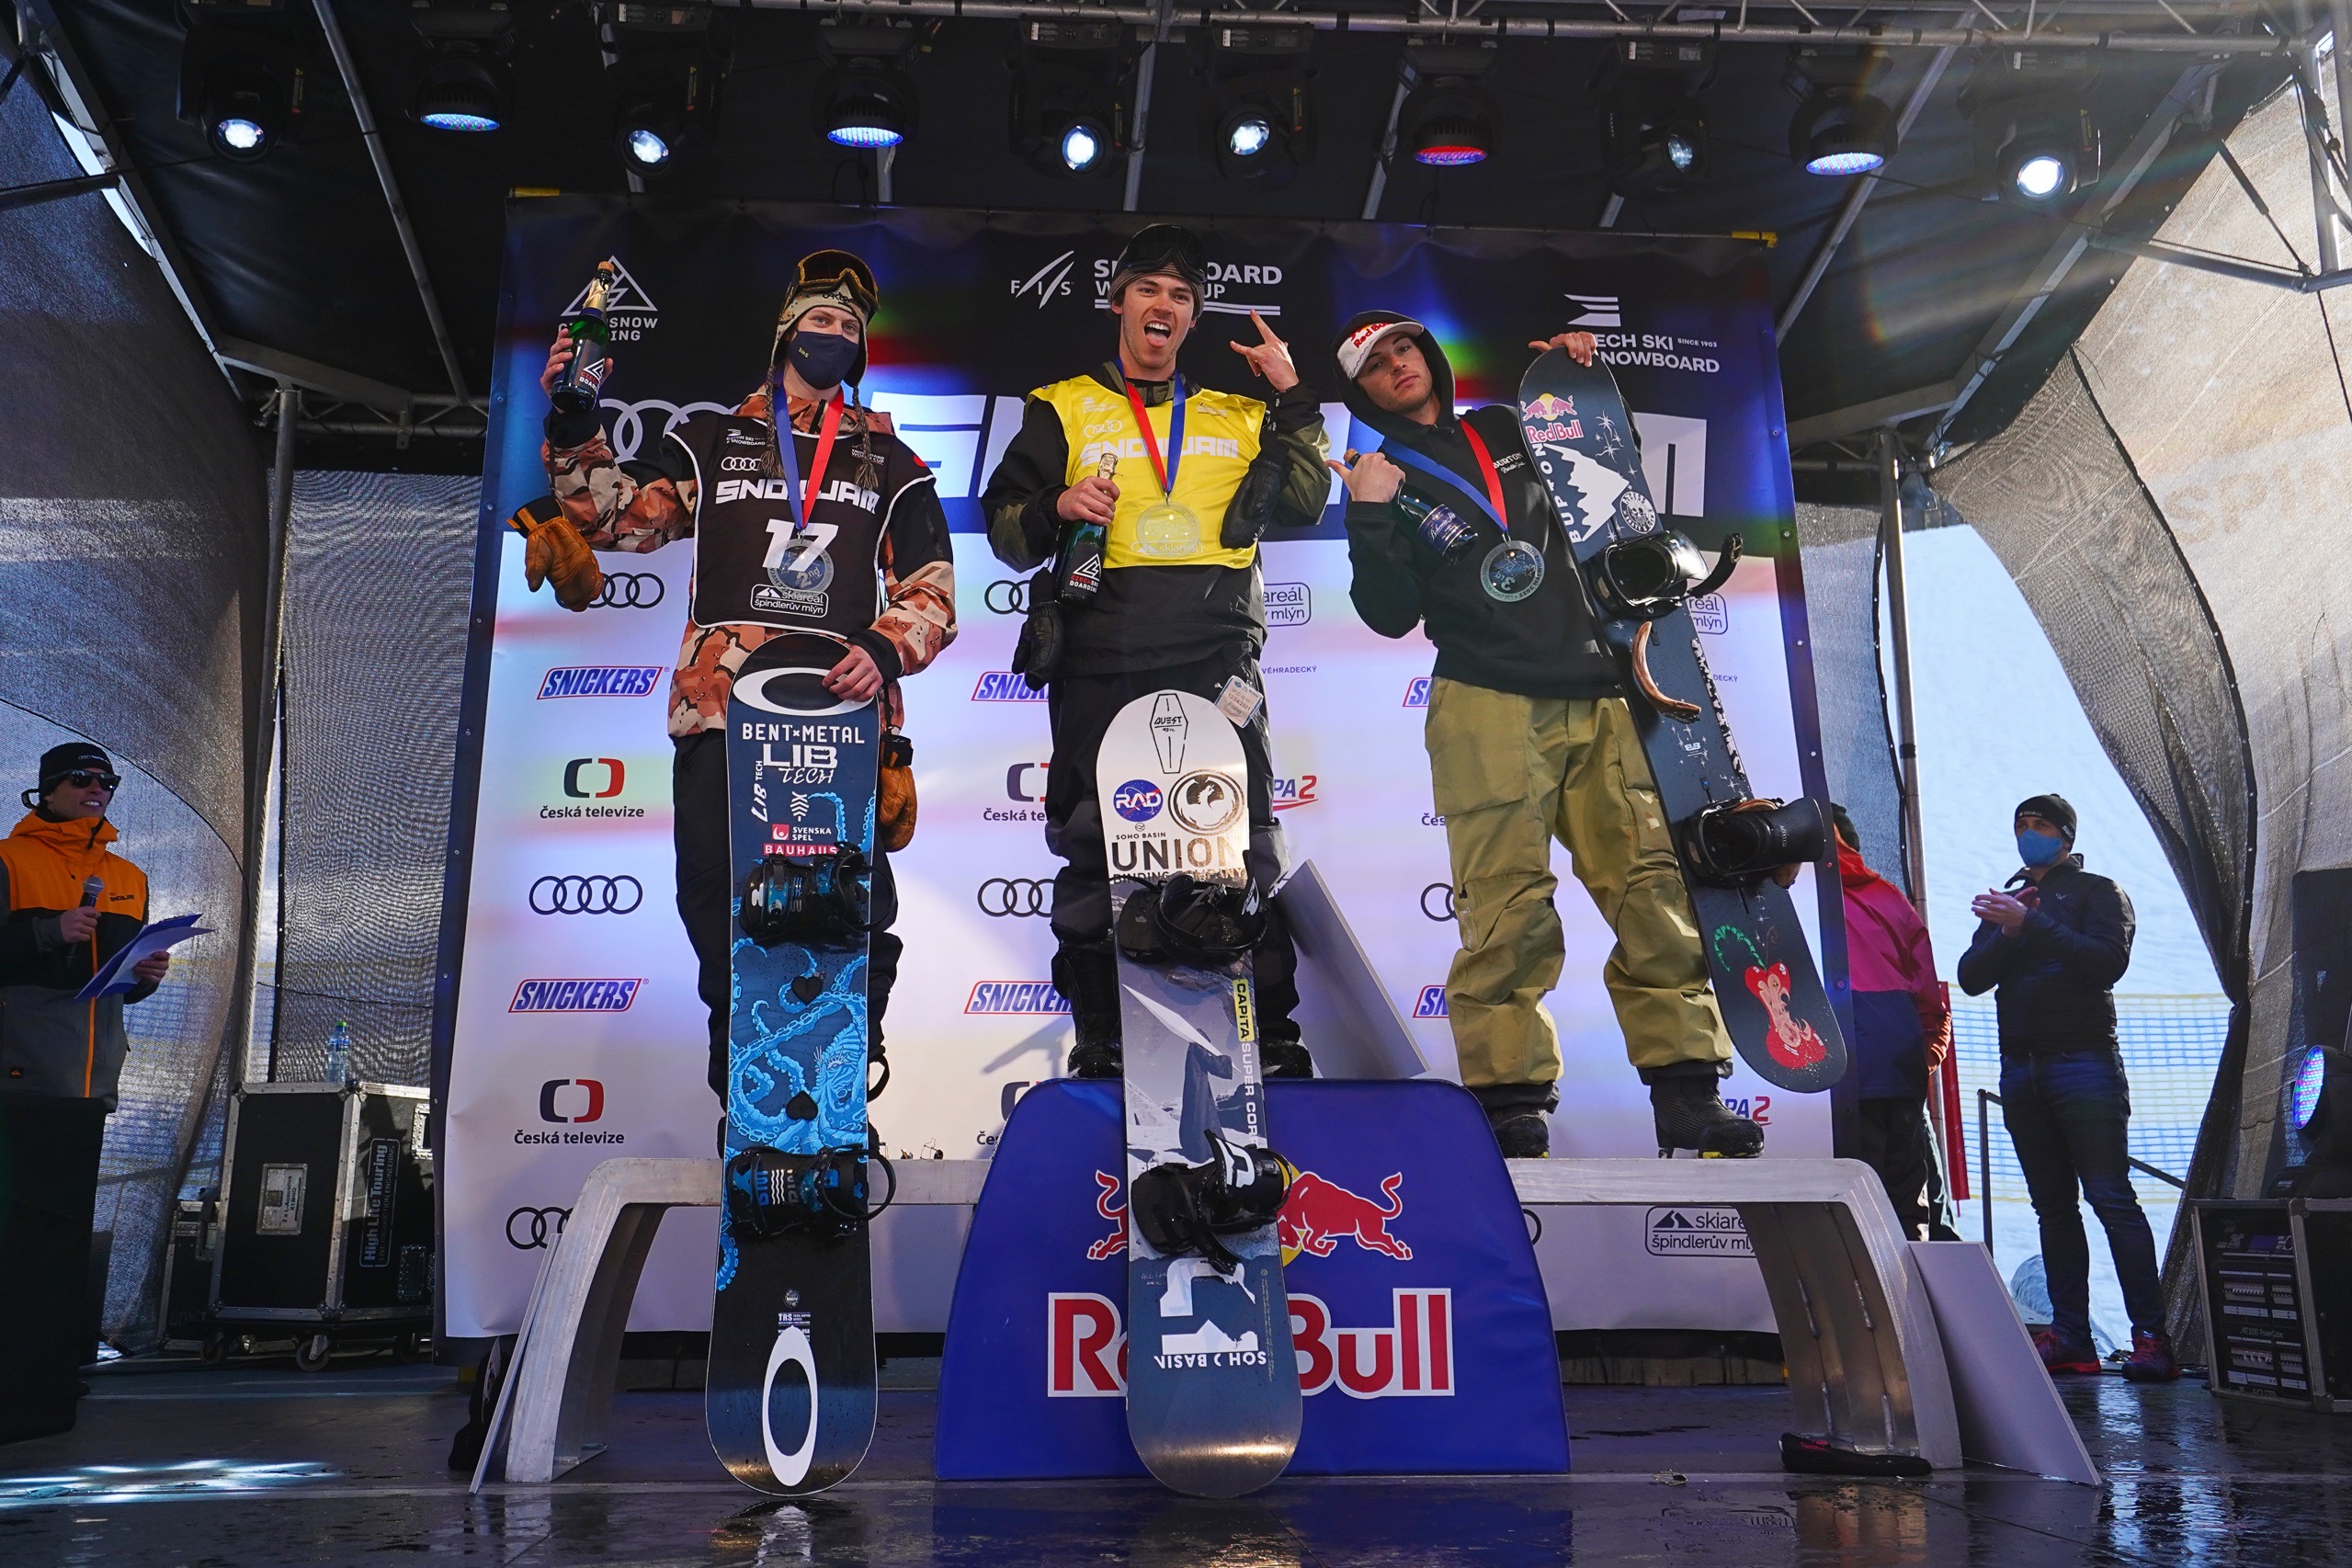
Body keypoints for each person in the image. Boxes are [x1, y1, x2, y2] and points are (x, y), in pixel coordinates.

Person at [1330, 312, 1760, 1159]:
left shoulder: (1504, 426)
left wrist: (1580, 390)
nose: (1397, 367)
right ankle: (1508, 1102)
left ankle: (1686, 1093)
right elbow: (1385, 614)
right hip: (1483, 701)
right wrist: (1370, 515)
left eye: (1404, 349)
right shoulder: (1379, 472)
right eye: (1375, 366)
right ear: (1363, 392)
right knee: (1504, 907)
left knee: (1650, 888)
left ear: (1430, 359)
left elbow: (1611, 485)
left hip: (1601, 689)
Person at [530, 249, 958, 1101]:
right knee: (721, 907)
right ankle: (747, 1089)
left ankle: (842, 1079)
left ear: (861, 349)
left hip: (836, 720)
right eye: (818, 319)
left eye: (847, 326)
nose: (831, 334)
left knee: (849, 910)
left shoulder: (891, 460)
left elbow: (933, 592)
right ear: (785, 332)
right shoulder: (711, 438)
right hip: (722, 711)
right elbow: (612, 516)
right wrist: (574, 414)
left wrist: (879, 650)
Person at [979, 224, 1330, 1080]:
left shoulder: (1241, 414)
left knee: (1238, 843)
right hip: (1100, 651)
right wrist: (1058, 503)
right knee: (1094, 842)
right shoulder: (1059, 404)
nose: (1162, 306)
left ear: (1193, 316)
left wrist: (1292, 395)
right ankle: (1103, 1032)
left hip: (1214, 659)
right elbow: (1004, 531)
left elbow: (1309, 500)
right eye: (1147, 290)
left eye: (1179, 295)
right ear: (1118, 304)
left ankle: (1265, 1031)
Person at [1956, 792, 2178, 1381]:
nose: (2029, 833)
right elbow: (1970, 977)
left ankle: (2152, 1337)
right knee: (2052, 1208)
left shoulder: (2099, 892)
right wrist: (2006, 931)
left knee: (2110, 1198)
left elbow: (2105, 963)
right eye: (2021, 824)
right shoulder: (2008, 900)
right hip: (2021, 1068)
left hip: (2084, 1063)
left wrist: (2033, 923)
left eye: (2041, 825)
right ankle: (2071, 1336)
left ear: (2066, 835)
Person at [0, 744, 172, 1440]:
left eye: (107, 780)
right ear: (46, 789)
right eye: (82, 779)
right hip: (20, 1076)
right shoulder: (11, 861)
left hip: (89, 1083)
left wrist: (147, 975)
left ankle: (45, 1384)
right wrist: (48, 929)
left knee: (62, 1243)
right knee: (18, 1243)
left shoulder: (127, 875)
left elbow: (115, 985)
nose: (97, 789)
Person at [1830, 804, 1950, 1236]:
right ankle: (1905, 1299)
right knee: (1903, 1206)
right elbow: (1932, 1003)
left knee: (1844, 1205)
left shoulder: (1791, 897)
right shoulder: (1892, 899)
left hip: (1836, 1074)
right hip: (1898, 1069)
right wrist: (1920, 1063)